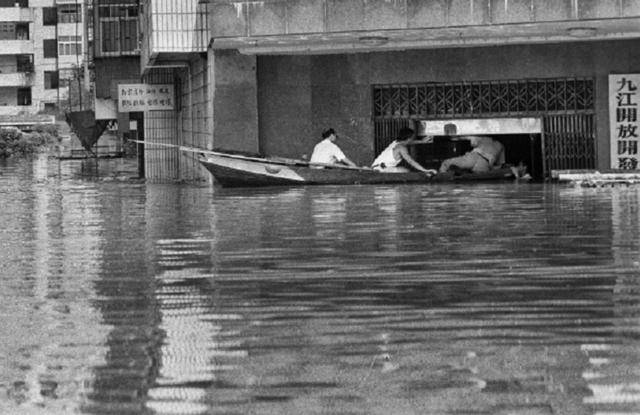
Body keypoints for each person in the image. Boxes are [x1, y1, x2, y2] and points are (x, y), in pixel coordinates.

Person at [372, 127, 437, 175]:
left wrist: (422, 141)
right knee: (405, 171)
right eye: (412, 138)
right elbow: (410, 161)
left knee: (403, 169)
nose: (413, 139)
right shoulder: (402, 148)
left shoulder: (396, 142)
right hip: (379, 170)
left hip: (375, 167)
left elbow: (410, 142)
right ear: (408, 138)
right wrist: (424, 170)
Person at [439, 135, 505, 174]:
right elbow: (499, 165)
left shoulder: (482, 137)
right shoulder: (501, 145)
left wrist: (453, 137)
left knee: (446, 163)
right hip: (485, 164)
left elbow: (469, 139)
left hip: (474, 157)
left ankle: (442, 175)